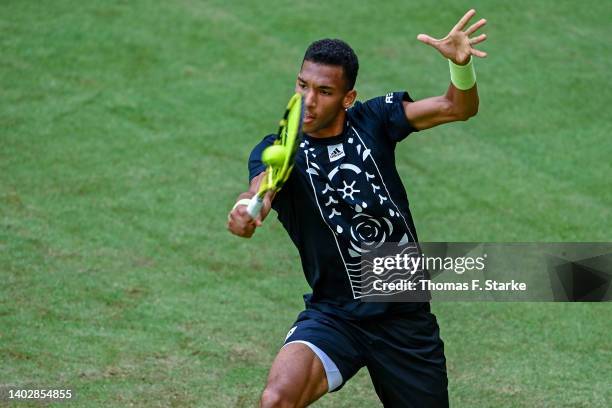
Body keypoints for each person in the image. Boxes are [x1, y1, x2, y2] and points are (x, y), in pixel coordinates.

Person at [227, 9, 487, 408]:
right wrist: (248, 209)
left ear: (348, 98)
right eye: (302, 85)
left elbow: (458, 107)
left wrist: (461, 66)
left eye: (324, 91)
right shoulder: (278, 149)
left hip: (402, 315)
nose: (309, 100)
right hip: (334, 314)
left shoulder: (374, 119)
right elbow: (260, 190)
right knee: (277, 399)